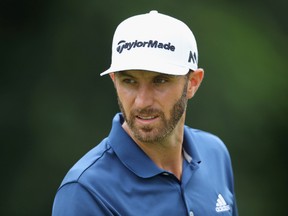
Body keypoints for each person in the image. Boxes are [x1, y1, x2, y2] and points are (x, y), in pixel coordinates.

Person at [52, 10, 238, 216]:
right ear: (114, 81)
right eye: (129, 81)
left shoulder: (215, 153)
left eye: (160, 81)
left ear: (192, 83)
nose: (142, 101)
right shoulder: (85, 191)